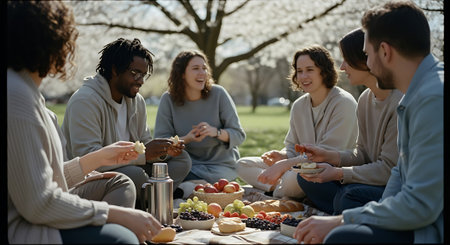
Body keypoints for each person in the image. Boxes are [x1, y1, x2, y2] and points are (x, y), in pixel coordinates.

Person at [7, 1, 162, 244]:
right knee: (122, 238)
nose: (71, 49)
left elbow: (46, 179)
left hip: (41, 214)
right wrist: (114, 214)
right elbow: (37, 205)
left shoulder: (30, 94)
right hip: (26, 230)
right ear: (49, 40)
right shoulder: (16, 97)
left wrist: (100, 158)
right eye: (67, 38)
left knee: (125, 181)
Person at [293, 1, 443, 243]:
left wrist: (344, 219)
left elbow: (420, 205)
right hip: (412, 214)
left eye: (367, 54)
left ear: (385, 51)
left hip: (429, 227)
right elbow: (399, 173)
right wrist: (370, 214)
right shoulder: (418, 94)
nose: (368, 63)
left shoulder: (432, 98)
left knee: (341, 234)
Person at [61, 38, 190, 205]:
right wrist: (142, 156)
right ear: (115, 70)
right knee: (134, 174)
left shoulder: (137, 101)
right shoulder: (85, 101)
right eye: (135, 73)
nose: (141, 81)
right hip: (90, 179)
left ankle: (149, 201)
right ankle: (155, 201)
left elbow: (143, 142)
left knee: (182, 159)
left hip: (131, 168)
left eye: (144, 75)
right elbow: (88, 158)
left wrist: (163, 152)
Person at [295, 28, 403, 215]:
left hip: (391, 187)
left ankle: (343, 211)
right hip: (366, 178)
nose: (342, 67)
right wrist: (328, 156)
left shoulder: (399, 102)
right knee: (307, 178)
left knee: (349, 195)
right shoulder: (365, 99)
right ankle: (344, 211)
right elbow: (361, 154)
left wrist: (339, 173)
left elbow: (388, 170)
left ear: (365, 59)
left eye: (347, 59)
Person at [236, 45, 358, 199]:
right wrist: (281, 156)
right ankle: (279, 188)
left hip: (326, 172)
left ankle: (276, 190)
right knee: (242, 164)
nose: (303, 76)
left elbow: (328, 156)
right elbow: (292, 146)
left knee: (293, 179)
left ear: (324, 71)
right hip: (297, 167)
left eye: (309, 70)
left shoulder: (343, 103)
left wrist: (284, 166)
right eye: (299, 71)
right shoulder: (299, 105)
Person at [153, 50, 246, 184]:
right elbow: (161, 143)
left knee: (204, 182)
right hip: (187, 166)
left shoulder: (219, 94)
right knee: (164, 175)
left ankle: (191, 188)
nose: (202, 73)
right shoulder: (168, 100)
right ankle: (192, 188)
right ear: (182, 74)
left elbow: (239, 135)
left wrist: (216, 132)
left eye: (204, 68)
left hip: (220, 166)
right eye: (195, 68)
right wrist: (187, 139)